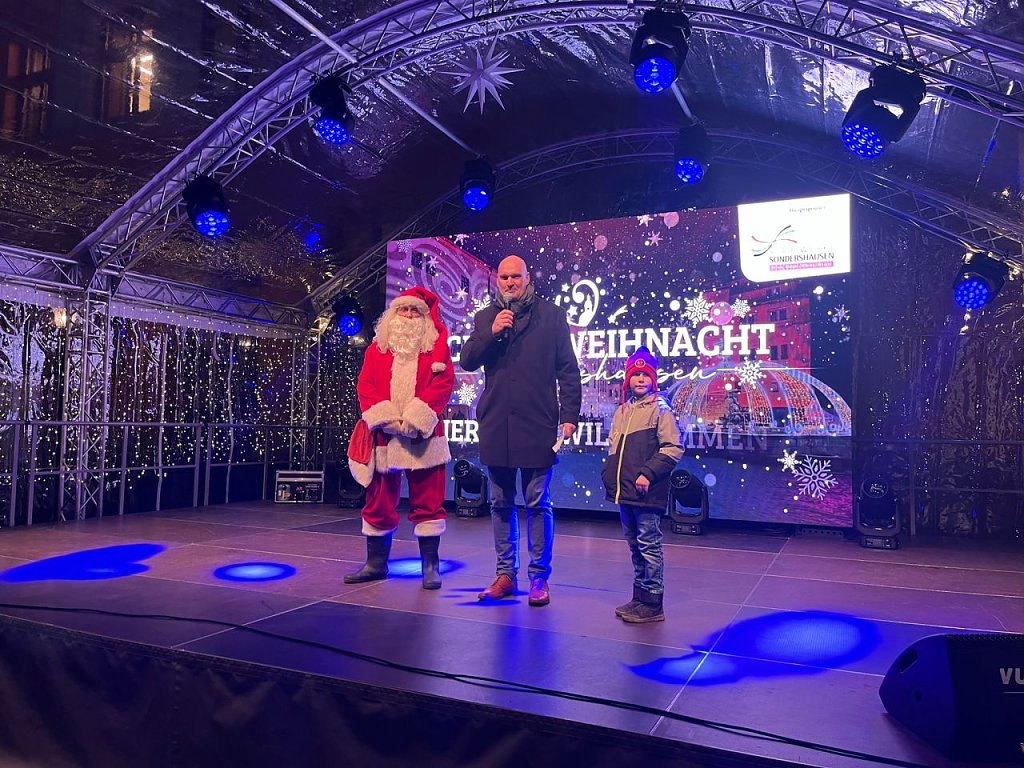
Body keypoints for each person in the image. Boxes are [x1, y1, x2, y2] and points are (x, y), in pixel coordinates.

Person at [460, 255, 582, 606]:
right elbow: (468, 360)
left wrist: (569, 415)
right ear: (497, 280)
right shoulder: (486, 318)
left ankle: (539, 577)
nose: (510, 283)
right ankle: (505, 574)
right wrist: (492, 333)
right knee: (500, 502)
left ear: (527, 279)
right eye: (504, 277)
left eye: (516, 277)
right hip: (497, 423)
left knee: (537, 502)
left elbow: (568, 369)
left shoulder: (552, 315)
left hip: (537, 422)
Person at [346, 286, 455, 590]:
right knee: (378, 500)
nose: (408, 315)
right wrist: (387, 418)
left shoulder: (436, 351)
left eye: (415, 310)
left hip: (424, 435)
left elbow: (443, 385)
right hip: (385, 435)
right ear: (393, 314)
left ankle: (430, 567)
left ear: (424, 317)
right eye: (403, 309)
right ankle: (376, 564)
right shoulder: (376, 350)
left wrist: (417, 419)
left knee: (429, 500)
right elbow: (366, 385)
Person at [601, 347, 683, 623]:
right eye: (635, 375)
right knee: (635, 545)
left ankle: (653, 602)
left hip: (647, 492)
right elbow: (614, 448)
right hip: (625, 492)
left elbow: (673, 448)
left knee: (649, 544)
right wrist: (608, 474)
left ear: (653, 379)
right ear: (628, 379)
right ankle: (639, 597)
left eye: (645, 375)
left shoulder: (660, 409)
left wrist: (648, 473)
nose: (640, 379)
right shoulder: (623, 411)